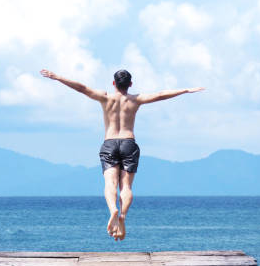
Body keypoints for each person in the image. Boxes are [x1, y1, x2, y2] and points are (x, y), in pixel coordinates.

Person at [40, 68, 204, 241]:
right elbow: (161, 94)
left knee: (110, 183)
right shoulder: (136, 99)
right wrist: (185, 90)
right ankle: (123, 215)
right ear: (130, 84)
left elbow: (82, 88)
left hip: (110, 142)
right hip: (128, 143)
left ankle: (113, 210)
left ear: (113, 83)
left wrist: (58, 77)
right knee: (126, 187)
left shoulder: (105, 97)